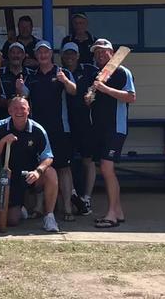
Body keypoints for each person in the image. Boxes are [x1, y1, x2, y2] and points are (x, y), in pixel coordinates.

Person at [0, 96, 60, 232]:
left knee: (51, 173)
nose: (19, 111)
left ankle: (49, 217)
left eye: (23, 108)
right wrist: (4, 141)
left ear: (28, 110)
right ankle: (20, 208)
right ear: (9, 111)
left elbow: (48, 157)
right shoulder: (0, 126)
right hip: (8, 178)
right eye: (15, 108)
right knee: (11, 221)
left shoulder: (38, 130)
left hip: (31, 176)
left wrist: (38, 171)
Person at [24, 40, 77, 222]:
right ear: (36, 55)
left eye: (46, 52)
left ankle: (67, 207)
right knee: (39, 168)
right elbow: (23, 97)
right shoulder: (31, 76)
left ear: (51, 54)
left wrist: (65, 81)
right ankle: (39, 207)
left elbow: (74, 91)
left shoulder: (63, 72)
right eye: (39, 52)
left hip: (61, 128)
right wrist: (19, 89)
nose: (43, 55)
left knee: (64, 168)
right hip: (39, 130)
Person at [87, 38, 136, 229]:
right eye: (96, 52)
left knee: (107, 169)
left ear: (112, 52)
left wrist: (105, 89)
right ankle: (118, 211)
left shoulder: (123, 72)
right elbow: (93, 99)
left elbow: (131, 97)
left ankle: (111, 215)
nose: (100, 54)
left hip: (116, 128)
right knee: (106, 169)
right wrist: (90, 97)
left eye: (103, 51)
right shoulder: (97, 74)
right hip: (100, 128)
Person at [61, 42, 99, 216]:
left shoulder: (90, 70)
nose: (70, 57)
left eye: (72, 53)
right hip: (67, 124)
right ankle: (73, 195)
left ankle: (87, 197)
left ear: (78, 55)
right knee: (66, 163)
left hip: (86, 122)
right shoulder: (60, 73)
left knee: (87, 160)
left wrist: (92, 93)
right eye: (66, 54)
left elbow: (101, 82)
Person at [0, 42, 31, 120]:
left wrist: (20, 92)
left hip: (25, 120)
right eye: (13, 52)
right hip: (3, 120)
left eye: (19, 53)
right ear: (8, 55)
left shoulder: (31, 74)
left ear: (23, 55)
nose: (16, 56)